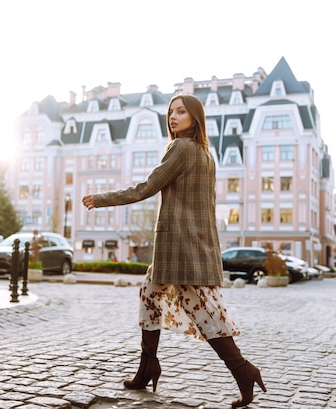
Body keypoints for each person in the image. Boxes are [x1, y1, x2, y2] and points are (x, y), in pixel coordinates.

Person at [82, 94, 266, 408]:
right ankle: (147, 366)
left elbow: (146, 187)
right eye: (170, 112)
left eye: (181, 112)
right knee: (150, 296)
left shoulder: (181, 148)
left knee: (205, 312)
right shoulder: (205, 153)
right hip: (188, 244)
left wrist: (101, 199)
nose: (173, 117)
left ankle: (242, 369)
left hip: (180, 246)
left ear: (196, 117)